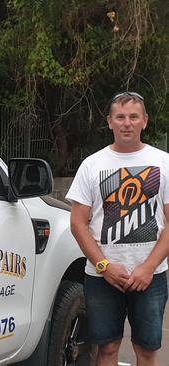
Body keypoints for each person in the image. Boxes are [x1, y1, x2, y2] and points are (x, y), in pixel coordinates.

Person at [66, 92, 169, 366]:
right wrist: (104, 267)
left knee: (146, 351)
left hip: (151, 276)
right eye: (120, 117)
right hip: (102, 278)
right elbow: (78, 223)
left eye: (134, 117)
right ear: (109, 122)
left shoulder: (163, 162)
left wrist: (148, 268)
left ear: (145, 121)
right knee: (107, 349)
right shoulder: (92, 165)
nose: (127, 123)